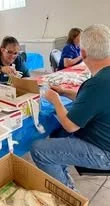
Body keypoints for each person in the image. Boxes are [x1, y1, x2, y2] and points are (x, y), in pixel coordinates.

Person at [30, 24, 110, 190]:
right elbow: (91, 101)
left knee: (39, 149)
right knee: (57, 132)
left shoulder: (97, 84)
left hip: (104, 152)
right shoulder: (101, 80)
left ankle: (67, 191)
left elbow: (71, 125)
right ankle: (61, 166)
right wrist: (64, 92)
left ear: (83, 53)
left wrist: (55, 100)